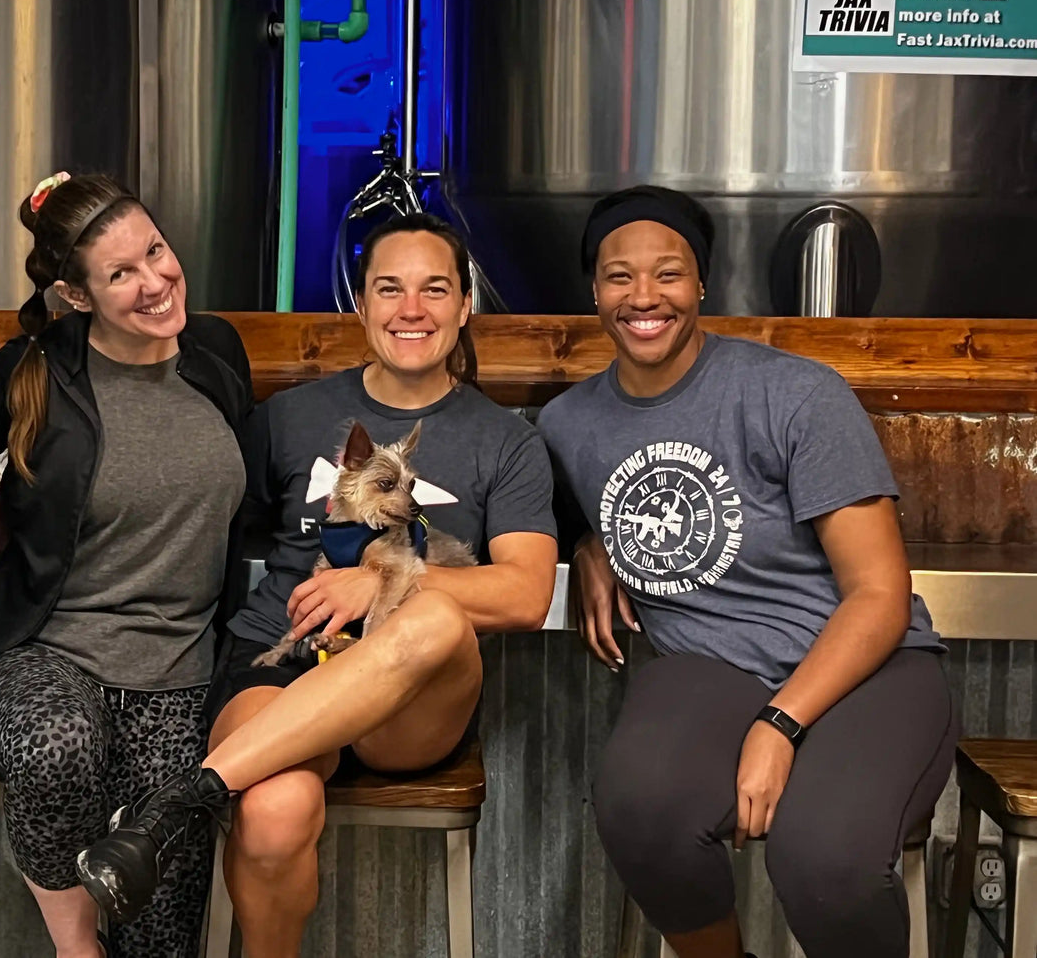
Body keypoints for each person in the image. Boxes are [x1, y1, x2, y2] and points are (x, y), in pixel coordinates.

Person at [74, 213, 560, 957]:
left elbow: (526, 594)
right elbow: (199, 511)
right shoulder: (292, 417)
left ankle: (180, 801)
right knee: (272, 808)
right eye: (389, 289)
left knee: (429, 617)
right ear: (360, 305)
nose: (412, 309)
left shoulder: (507, 441)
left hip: (413, 700)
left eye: (435, 289)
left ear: (465, 306)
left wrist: (382, 586)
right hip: (284, 659)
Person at [536, 186, 957, 958]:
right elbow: (558, 504)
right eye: (618, 275)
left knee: (824, 857)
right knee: (641, 807)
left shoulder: (795, 394)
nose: (643, 297)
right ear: (594, 290)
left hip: (868, 664)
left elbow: (879, 592)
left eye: (668, 274)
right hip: (710, 665)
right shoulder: (567, 424)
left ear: (701, 284)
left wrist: (781, 721)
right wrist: (590, 542)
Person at [0, 173, 253, 958]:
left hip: (179, 682)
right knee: (61, 743)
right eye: (122, 273)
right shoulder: (29, 370)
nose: (156, 280)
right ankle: (75, 950)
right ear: (76, 294)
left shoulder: (217, 354)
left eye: (155, 250)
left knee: (159, 942)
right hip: (43, 659)